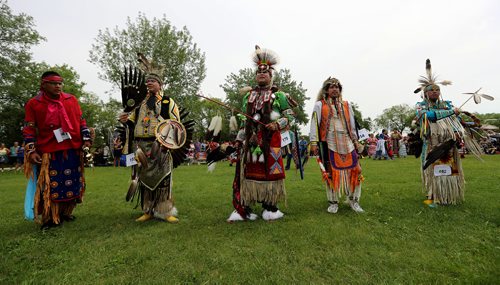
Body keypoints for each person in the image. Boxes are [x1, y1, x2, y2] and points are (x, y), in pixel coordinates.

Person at [118, 53, 193, 223]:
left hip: (160, 146)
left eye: (153, 81)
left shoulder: (167, 102)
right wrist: (125, 121)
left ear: (160, 84)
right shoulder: (139, 105)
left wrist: (168, 144)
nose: (149, 83)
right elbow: (131, 124)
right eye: (148, 81)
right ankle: (148, 210)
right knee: (144, 180)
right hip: (140, 147)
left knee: (163, 179)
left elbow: (176, 125)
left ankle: (164, 211)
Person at [227, 46, 293, 222]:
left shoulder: (279, 96)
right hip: (252, 141)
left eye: (265, 72)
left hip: (271, 141)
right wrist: (239, 140)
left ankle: (270, 207)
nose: (261, 74)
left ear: (271, 76)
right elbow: (243, 121)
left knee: (271, 173)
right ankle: (246, 206)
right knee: (249, 172)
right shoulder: (247, 96)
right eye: (259, 72)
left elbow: (290, 116)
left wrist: (277, 124)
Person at [23, 71, 92, 229]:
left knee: (72, 182)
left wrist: (86, 139)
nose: (58, 86)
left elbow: (81, 121)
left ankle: (65, 213)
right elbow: (29, 129)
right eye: (54, 83)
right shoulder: (34, 103)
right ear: (44, 84)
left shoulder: (71, 100)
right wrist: (31, 151)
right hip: (49, 151)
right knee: (51, 185)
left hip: (72, 147)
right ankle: (50, 217)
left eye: (60, 83)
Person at [413, 59, 482, 206]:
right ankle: (433, 195)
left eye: (437, 90)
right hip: (431, 143)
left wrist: (457, 131)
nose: (435, 92)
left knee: (449, 169)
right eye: (432, 90)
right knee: (433, 169)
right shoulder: (420, 106)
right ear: (425, 93)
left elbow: (455, 120)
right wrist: (450, 112)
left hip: (448, 143)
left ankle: (448, 196)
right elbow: (427, 116)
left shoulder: (447, 104)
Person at [310, 77, 364, 214]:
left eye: (337, 87)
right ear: (326, 90)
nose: (335, 89)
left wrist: (356, 141)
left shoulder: (346, 105)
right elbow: (314, 124)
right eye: (331, 87)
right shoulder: (320, 105)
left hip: (347, 141)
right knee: (330, 172)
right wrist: (314, 142)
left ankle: (354, 200)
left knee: (356, 170)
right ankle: (333, 202)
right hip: (329, 142)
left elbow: (352, 125)